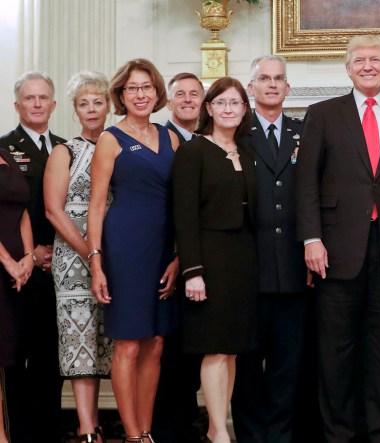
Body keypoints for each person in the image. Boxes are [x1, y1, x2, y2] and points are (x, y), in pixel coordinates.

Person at [296, 34, 380, 442]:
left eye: (375, 59)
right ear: (347, 68)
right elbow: (306, 182)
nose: (368, 66)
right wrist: (311, 238)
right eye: (359, 60)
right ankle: (338, 434)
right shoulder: (323, 113)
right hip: (335, 250)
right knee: (336, 353)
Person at [87, 58, 180, 443]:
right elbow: (95, 204)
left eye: (146, 87)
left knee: (155, 343)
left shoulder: (171, 137)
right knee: (127, 342)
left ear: (157, 92)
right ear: (121, 95)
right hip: (124, 248)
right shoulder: (110, 139)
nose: (140, 94)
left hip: (163, 249)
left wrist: (178, 256)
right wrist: (96, 262)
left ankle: (146, 431)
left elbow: (179, 201)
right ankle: (131, 435)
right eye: (132, 88)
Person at [173, 76, 258, 443]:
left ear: (243, 109)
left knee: (233, 350)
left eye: (235, 103)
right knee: (215, 347)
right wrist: (193, 271)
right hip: (209, 260)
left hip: (243, 259)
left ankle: (217, 427)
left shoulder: (248, 152)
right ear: (209, 108)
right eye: (221, 103)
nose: (228, 109)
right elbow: (184, 215)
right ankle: (220, 432)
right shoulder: (194, 150)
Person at [231, 55, 308, 443]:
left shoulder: (303, 132)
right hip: (249, 267)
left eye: (279, 78)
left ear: (288, 88)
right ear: (251, 87)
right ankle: (250, 435)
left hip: (294, 266)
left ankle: (280, 435)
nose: (272, 84)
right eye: (264, 78)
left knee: (287, 363)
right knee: (246, 364)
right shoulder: (235, 135)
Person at [43, 70, 114, 443]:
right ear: (74, 109)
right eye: (83, 104)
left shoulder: (118, 145)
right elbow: (54, 211)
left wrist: (107, 255)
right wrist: (92, 253)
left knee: (116, 342)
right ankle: (89, 429)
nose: (91, 109)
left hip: (117, 256)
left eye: (97, 102)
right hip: (74, 260)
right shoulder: (64, 151)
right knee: (80, 340)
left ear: (109, 106)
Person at [0, 71, 67, 443]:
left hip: (62, 265)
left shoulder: (65, 146)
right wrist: (32, 251)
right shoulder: (3, 148)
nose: (37, 104)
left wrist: (58, 250)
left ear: (54, 104)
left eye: (43, 98)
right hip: (19, 269)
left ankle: (49, 432)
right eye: (30, 98)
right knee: (16, 355)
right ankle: (18, 433)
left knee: (52, 356)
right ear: (17, 105)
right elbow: (11, 210)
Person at [152, 71, 205, 443]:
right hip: (162, 258)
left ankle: (187, 425)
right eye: (180, 94)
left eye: (194, 94)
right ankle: (165, 431)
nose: (187, 100)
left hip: (200, 261)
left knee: (194, 348)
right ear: (169, 101)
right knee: (165, 351)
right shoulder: (157, 140)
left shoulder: (210, 141)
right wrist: (175, 255)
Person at [0, 139, 35, 443]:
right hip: (3, 266)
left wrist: (28, 256)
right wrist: (8, 261)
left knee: (5, 356)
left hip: (15, 273)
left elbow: (21, 209)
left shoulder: (4, 153)